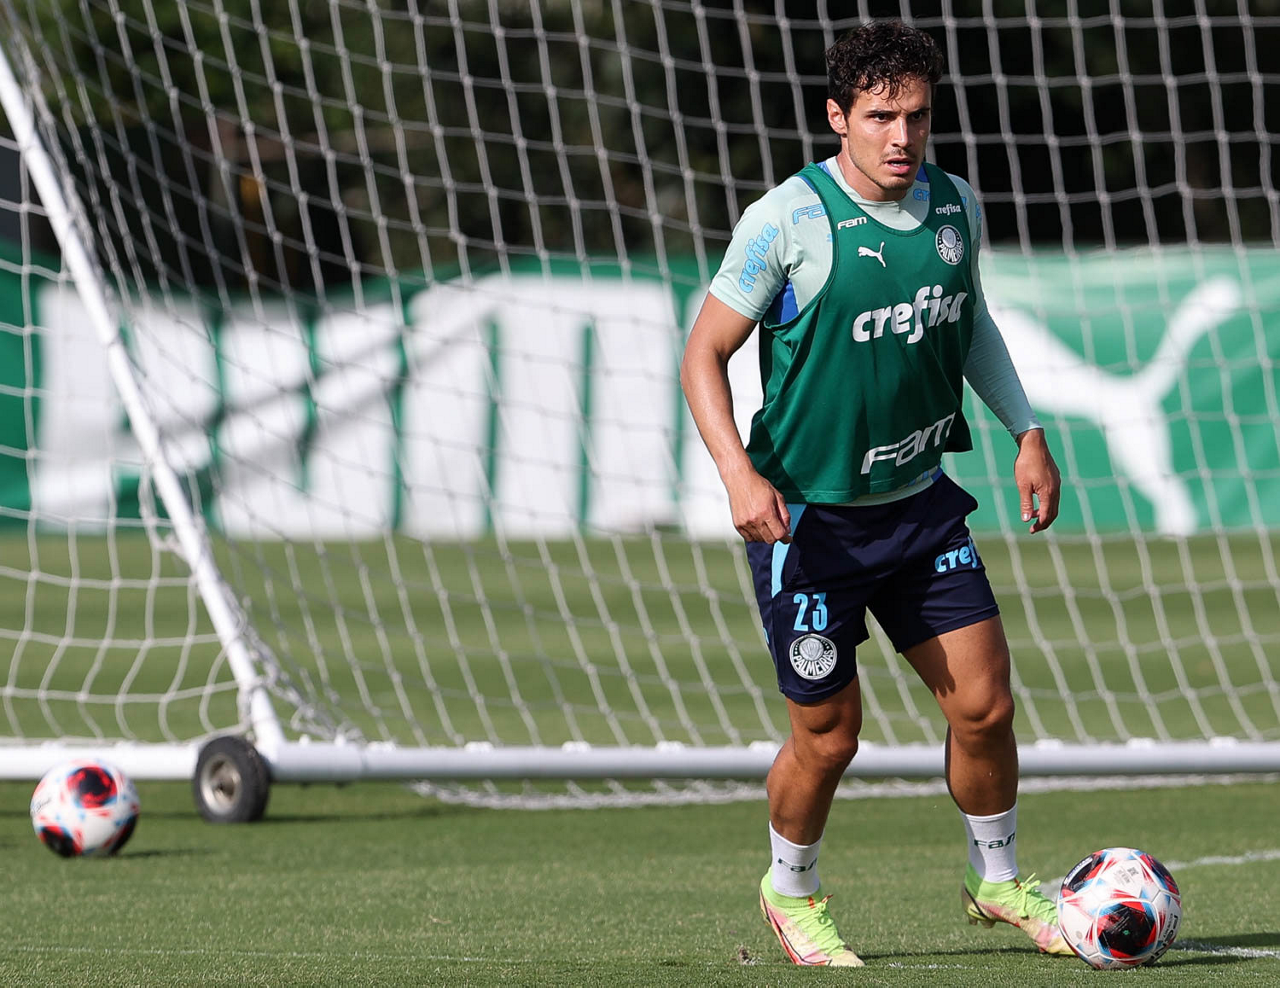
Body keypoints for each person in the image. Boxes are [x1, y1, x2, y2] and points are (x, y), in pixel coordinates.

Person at [680, 20, 1070, 967]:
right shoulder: (787, 220)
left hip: (919, 503)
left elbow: (969, 320)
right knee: (829, 738)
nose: (902, 137)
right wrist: (738, 473)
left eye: (918, 117)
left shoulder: (956, 204)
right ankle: (791, 892)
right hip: (807, 520)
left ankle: (999, 882)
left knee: (985, 707)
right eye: (881, 118)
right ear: (838, 117)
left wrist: (1025, 431)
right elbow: (703, 354)